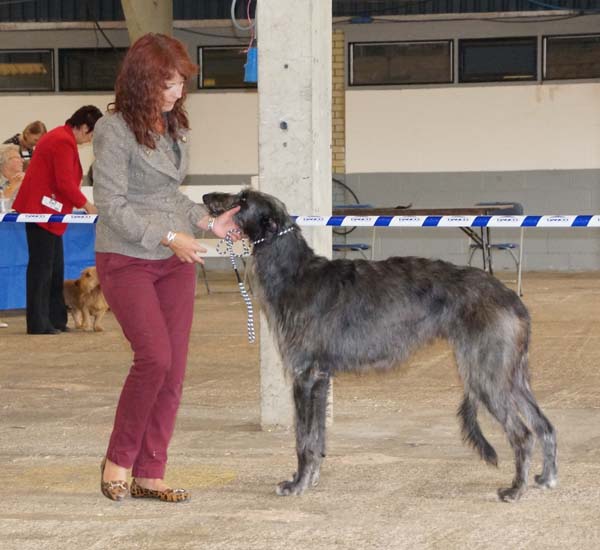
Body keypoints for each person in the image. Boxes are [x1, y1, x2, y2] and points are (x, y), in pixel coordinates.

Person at [93, 33, 240, 503]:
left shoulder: (174, 126)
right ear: (142, 81)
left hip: (175, 260)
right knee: (153, 358)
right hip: (127, 256)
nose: (178, 94)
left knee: (173, 369)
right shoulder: (112, 131)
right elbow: (111, 204)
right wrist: (168, 236)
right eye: (169, 85)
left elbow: (170, 194)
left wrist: (206, 222)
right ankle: (118, 460)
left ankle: (150, 471)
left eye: (180, 85)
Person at [12, 106, 102, 335]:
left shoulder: (63, 139)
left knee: (54, 269)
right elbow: (64, 182)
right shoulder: (61, 141)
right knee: (41, 270)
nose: (90, 139)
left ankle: (56, 319)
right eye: (91, 134)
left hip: (50, 213)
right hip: (39, 211)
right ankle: (38, 323)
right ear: (83, 127)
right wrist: (87, 205)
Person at [0, 144, 25, 212]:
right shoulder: (2, 184)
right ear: (4, 161)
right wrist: (12, 187)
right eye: (17, 157)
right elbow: (2, 210)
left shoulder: (27, 181)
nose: (22, 160)